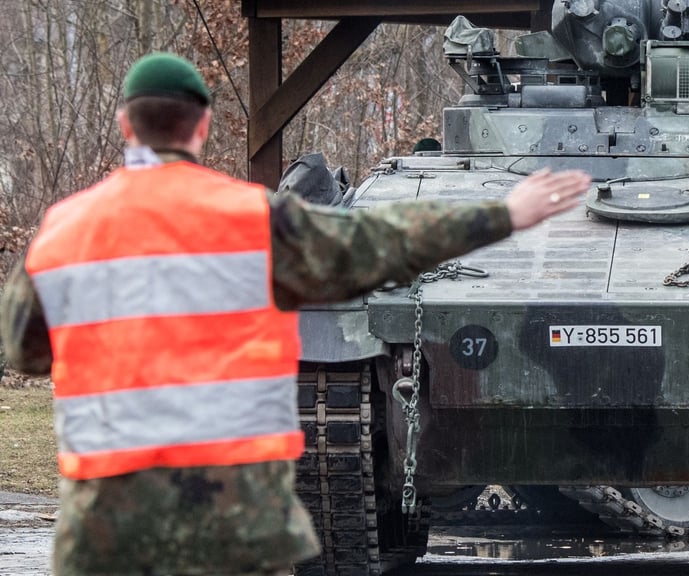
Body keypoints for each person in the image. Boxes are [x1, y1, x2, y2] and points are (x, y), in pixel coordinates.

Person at [0, 52, 590, 576]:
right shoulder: (253, 220)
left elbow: (24, 352)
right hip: (233, 515)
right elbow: (379, 240)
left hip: (105, 521)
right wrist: (501, 215)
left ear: (126, 124)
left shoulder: (63, 232)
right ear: (201, 126)